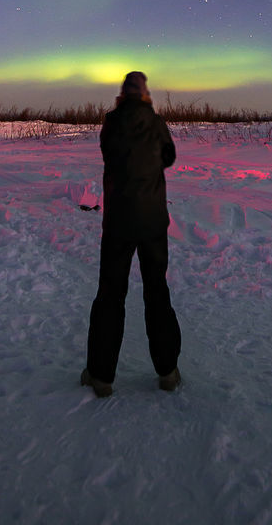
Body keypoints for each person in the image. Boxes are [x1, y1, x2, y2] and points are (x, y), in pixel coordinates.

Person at [81, 71, 182, 397]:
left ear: (123, 94)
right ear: (145, 94)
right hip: (152, 222)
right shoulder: (157, 123)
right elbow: (169, 157)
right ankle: (167, 371)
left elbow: (108, 152)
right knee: (157, 292)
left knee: (110, 294)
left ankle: (101, 376)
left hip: (119, 223)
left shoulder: (111, 123)